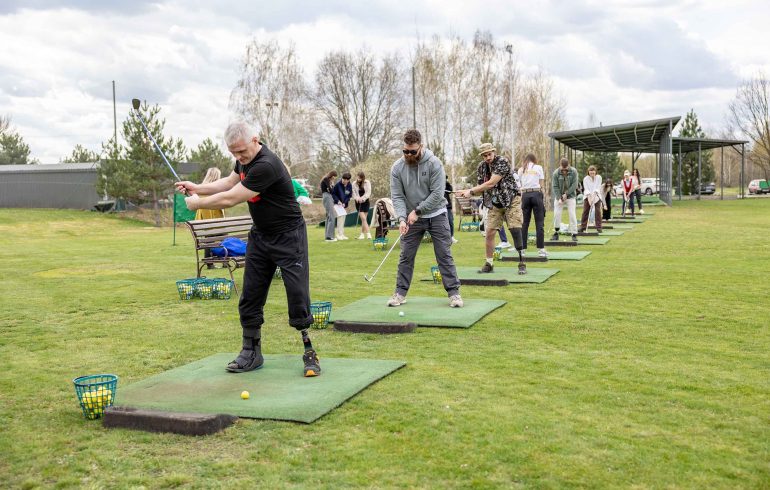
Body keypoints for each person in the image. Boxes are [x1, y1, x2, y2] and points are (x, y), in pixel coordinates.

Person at [176, 121, 320, 377]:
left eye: (242, 151)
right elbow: (228, 184)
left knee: (297, 296)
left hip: (288, 237)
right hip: (261, 236)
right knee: (250, 294)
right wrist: (197, 187)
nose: (239, 157)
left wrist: (197, 202)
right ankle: (250, 352)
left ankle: (309, 350)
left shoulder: (267, 164)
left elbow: (232, 198)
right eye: (234, 153)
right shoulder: (244, 160)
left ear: (256, 139)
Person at [389, 129, 463, 308]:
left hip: (436, 214)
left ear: (420, 147)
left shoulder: (434, 164)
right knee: (406, 256)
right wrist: (401, 218)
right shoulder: (397, 168)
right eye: (405, 151)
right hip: (411, 217)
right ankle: (400, 294)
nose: (409, 154)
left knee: (444, 254)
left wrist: (418, 211)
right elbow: (397, 196)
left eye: (412, 151)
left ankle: (454, 294)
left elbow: (437, 194)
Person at [457, 142, 526, 274]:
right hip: (495, 203)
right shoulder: (481, 168)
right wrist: (466, 191)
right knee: (489, 233)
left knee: (515, 229)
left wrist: (470, 191)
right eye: (485, 155)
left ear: (494, 152)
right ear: (482, 156)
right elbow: (481, 189)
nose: (488, 157)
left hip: (511, 200)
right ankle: (489, 263)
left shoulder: (502, 161)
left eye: (489, 154)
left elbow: (491, 183)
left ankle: (522, 261)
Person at [195, 168, 226, 268]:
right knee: (215, 238)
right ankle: (213, 262)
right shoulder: (211, 189)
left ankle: (217, 262)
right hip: (212, 220)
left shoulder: (202, 188)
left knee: (214, 238)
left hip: (208, 220)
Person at [517, 153, 548, 257]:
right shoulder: (538, 167)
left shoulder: (521, 169)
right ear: (534, 159)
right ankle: (541, 250)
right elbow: (541, 183)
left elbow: (519, 184)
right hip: (536, 194)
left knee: (524, 223)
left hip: (525, 195)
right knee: (539, 222)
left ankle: (522, 250)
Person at [550, 157, 578, 242]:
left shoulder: (573, 171)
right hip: (559, 197)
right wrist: (559, 197)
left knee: (572, 214)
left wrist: (566, 194)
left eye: (566, 169)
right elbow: (555, 186)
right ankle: (556, 232)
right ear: (560, 166)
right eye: (563, 169)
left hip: (571, 196)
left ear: (568, 165)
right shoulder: (556, 173)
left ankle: (574, 233)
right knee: (557, 214)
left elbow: (574, 185)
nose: (564, 171)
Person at [580, 165, 603, 232]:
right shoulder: (585, 179)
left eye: (593, 173)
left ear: (595, 172)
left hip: (597, 196)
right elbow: (586, 189)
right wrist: (589, 198)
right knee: (585, 211)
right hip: (587, 197)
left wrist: (593, 197)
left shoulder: (599, 178)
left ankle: (599, 227)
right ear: (588, 173)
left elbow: (597, 188)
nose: (592, 174)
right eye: (590, 173)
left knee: (598, 212)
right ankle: (583, 227)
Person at [332, 172, 352, 240]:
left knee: (343, 218)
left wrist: (345, 202)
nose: (343, 181)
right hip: (337, 204)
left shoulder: (349, 185)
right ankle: (338, 234)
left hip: (343, 205)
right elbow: (333, 194)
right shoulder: (337, 185)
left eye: (345, 180)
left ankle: (342, 234)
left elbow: (349, 195)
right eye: (343, 179)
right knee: (340, 218)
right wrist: (338, 201)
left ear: (348, 180)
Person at [353, 171, 372, 240]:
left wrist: (363, 198)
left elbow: (368, 192)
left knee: (364, 220)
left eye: (360, 178)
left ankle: (362, 234)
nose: (359, 179)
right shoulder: (354, 184)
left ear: (363, 178)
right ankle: (368, 234)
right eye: (358, 177)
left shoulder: (367, 182)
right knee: (363, 219)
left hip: (366, 202)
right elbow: (354, 193)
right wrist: (357, 198)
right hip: (358, 203)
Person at [320, 170, 338, 242]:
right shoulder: (326, 179)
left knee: (328, 216)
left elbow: (331, 190)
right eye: (334, 177)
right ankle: (329, 237)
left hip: (328, 197)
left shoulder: (328, 180)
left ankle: (328, 236)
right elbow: (331, 190)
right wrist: (332, 185)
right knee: (331, 216)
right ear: (332, 175)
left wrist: (332, 186)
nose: (334, 178)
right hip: (327, 196)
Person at [445, 174, 458, 244]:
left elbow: (450, 190)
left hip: (447, 206)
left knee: (450, 222)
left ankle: (451, 237)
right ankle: (445, 238)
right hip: (439, 207)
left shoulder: (446, 185)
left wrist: (447, 182)